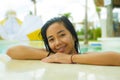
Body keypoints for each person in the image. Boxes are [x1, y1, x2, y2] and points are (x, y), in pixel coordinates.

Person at [7, 16, 120, 66]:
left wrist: (70, 58)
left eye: (62, 35)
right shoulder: (51, 54)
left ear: (74, 36)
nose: (57, 43)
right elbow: (12, 51)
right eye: (51, 39)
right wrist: (52, 54)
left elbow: (117, 58)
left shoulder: (85, 56)